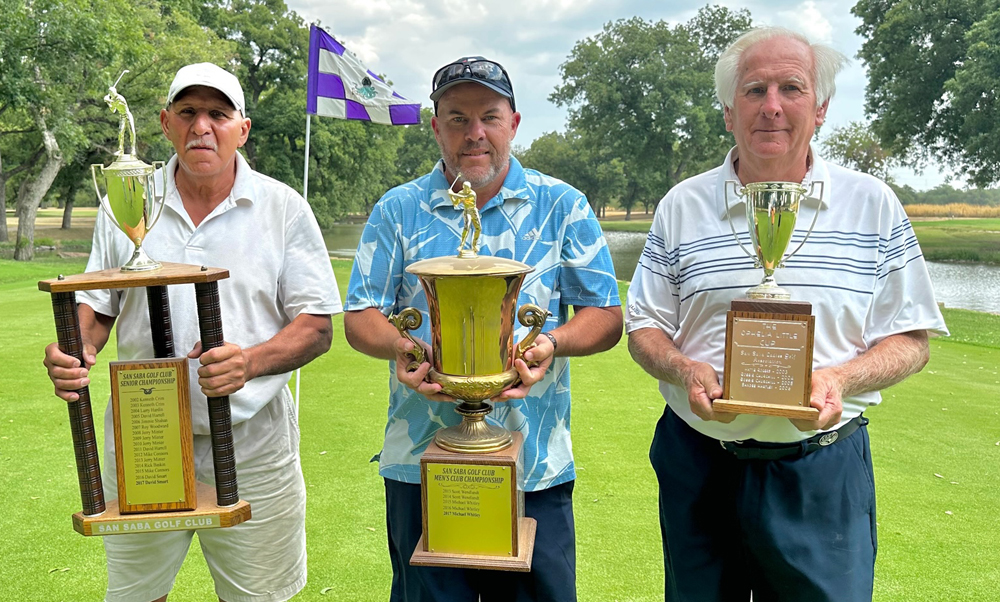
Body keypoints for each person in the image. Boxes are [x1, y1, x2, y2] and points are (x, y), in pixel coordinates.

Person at [625, 27, 948, 602]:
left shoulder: (873, 204)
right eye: (754, 90)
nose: (771, 106)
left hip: (820, 472)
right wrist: (683, 369)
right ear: (729, 111)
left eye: (791, 88)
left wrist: (840, 379)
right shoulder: (683, 205)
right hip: (700, 463)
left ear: (820, 108)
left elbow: (911, 339)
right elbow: (644, 328)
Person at [43, 62, 341, 602]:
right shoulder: (125, 201)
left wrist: (249, 362)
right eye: (188, 112)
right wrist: (75, 350)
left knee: (259, 596)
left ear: (242, 128)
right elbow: (98, 306)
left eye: (218, 113)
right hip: (143, 436)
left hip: (253, 440)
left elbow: (316, 326)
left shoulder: (282, 208)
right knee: (138, 595)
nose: (202, 126)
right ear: (165, 123)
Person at [343, 55, 622, 602]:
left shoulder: (562, 205)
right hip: (419, 465)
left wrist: (553, 343)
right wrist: (402, 347)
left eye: (489, 117)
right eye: (457, 118)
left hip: (535, 466)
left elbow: (606, 315)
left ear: (514, 123)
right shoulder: (398, 209)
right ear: (435, 127)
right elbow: (360, 316)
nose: (475, 134)